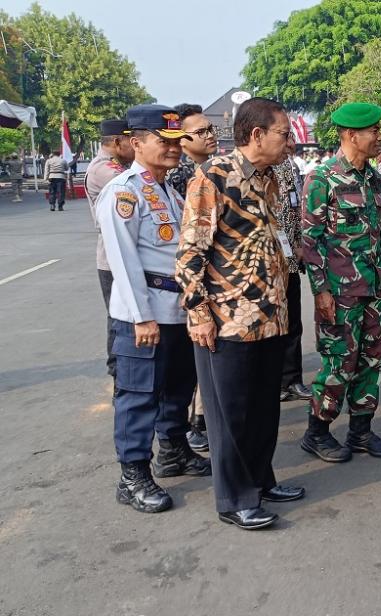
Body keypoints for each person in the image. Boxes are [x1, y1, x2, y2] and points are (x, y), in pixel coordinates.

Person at [176, 97, 304, 530]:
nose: (289, 142)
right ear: (256, 135)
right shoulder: (212, 178)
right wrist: (199, 315)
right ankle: (234, 498)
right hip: (229, 320)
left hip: (271, 315)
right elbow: (191, 253)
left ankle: (261, 480)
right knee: (231, 414)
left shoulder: (269, 178)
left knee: (265, 408)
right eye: (283, 134)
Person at [96, 104, 211, 514]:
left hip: (176, 309)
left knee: (178, 388)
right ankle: (133, 476)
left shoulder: (167, 188)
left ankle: (174, 451)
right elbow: (123, 260)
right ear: (135, 142)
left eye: (176, 140)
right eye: (162, 141)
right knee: (138, 394)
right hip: (143, 313)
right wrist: (141, 316)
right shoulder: (124, 191)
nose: (173, 148)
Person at [299, 102, 381, 464]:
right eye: (373, 131)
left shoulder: (375, 179)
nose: (379, 137)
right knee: (338, 363)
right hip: (340, 293)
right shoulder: (322, 178)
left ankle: (361, 431)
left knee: (374, 361)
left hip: (377, 289)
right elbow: (310, 241)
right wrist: (321, 291)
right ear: (350, 135)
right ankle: (317, 432)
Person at [164, 103, 221, 452]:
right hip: (190, 283)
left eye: (210, 129)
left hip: (215, 281)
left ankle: (200, 421)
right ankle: (186, 429)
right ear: (182, 141)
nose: (210, 135)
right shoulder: (182, 177)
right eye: (200, 132)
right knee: (187, 362)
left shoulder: (217, 169)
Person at [85, 119, 135, 379]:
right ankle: (118, 372)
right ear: (117, 142)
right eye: (132, 140)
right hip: (112, 257)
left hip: (125, 252)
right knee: (119, 316)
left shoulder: (119, 166)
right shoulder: (104, 170)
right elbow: (138, 188)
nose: (136, 146)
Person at [274, 150, 313, 403]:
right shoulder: (256, 168)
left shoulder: (287, 165)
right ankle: (274, 381)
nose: (290, 140)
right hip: (268, 261)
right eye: (284, 134)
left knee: (294, 324)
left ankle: (292, 379)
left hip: (290, 256)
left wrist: (299, 243)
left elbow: (295, 208)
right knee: (274, 326)